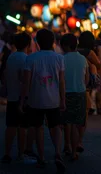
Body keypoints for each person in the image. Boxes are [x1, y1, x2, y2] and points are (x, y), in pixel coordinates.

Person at [20, 29, 66, 172]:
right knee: (56, 126)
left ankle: (41, 157)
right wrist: (63, 99)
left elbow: (26, 83)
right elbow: (62, 82)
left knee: (38, 128)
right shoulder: (59, 58)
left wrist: (23, 100)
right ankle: (58, 153)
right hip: (53, 100)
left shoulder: (30, 59)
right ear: (53, 41)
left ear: (37, 42)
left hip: (36, 100)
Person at [1, 32, 33, 163]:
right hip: (22, 99)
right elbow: (25, 80)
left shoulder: (11, 57)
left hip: (12, 96)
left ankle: (7, 153)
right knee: (23, 128)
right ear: (28, 44)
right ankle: (21, 154)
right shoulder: (26, 59)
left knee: (11, 126)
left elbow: (4, 76)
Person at [60, 34, 88, 162]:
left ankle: (67, 146)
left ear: (65, 46)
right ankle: (74, 152)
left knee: (67, 123)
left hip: (66, 94)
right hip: (80, 94)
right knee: (76, 124)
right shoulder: (83, 59)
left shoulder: (62, 59)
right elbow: (86, 79)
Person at [77, 31, 101, 151]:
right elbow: (99, 64)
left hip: (74, 86)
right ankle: (79, 141)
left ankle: (69, 143)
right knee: (83, 117)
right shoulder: (89, 52)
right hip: (85, 88)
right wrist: (100, 53)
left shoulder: (75, 51)